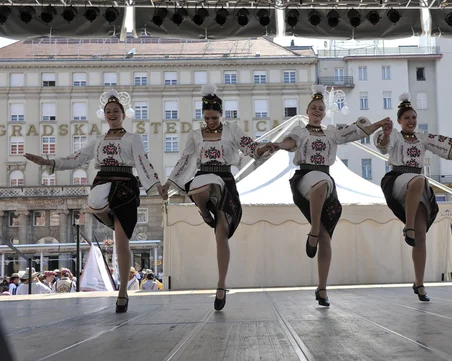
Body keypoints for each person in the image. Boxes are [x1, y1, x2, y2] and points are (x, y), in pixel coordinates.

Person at [24, 89, 164, 312]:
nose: (111, 114)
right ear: (104, 115)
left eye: (115, 111)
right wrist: (48, 162)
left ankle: (122, 293)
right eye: (108, 111)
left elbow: (142, 162)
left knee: (121, 243)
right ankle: (112, 221)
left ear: (123, 114)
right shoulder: (97, 141)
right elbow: (76, 158)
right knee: (94, 202)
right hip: (103, 181)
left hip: (126, 186)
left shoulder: (132, 138)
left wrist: (157, 186)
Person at [270, 84, 392, 307]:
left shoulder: (332, 132)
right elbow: (290, 142)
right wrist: (278, 144)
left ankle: (322, 288)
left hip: (325, 181)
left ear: (324, 112)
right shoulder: (300, 130)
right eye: (313, 107)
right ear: (307, 112)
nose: (317, 111)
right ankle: (314, 230)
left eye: (320, 108)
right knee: (321, 182)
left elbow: (356, 132)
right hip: (305, 177)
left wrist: (379, 124)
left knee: (327, 237)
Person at [162, 83, 272, 311]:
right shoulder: (195, 135)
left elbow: (249, 147)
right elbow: (184, 160)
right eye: (207, 117)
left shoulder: (232, 130)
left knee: (221, 235)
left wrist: (263, 149)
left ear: (221, 114)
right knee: (200, 186)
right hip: (204, 177)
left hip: (226, 181)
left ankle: (221, 285)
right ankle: (204, 211)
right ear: (203, 115)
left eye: (214, 117)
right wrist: (169, 184)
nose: (211, 121)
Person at [375, 93, 452, 301]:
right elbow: (383, 145)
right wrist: (384, 133)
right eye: (407, 118)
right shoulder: (394, 135)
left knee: (421, 237)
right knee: (419, 180)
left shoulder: (422, 137)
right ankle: (408, 226)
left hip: (416, 190)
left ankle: (419, 284)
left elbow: (446, 151)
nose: (411, 121)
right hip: (398, 179)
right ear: (400, 121)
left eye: (414, 117)